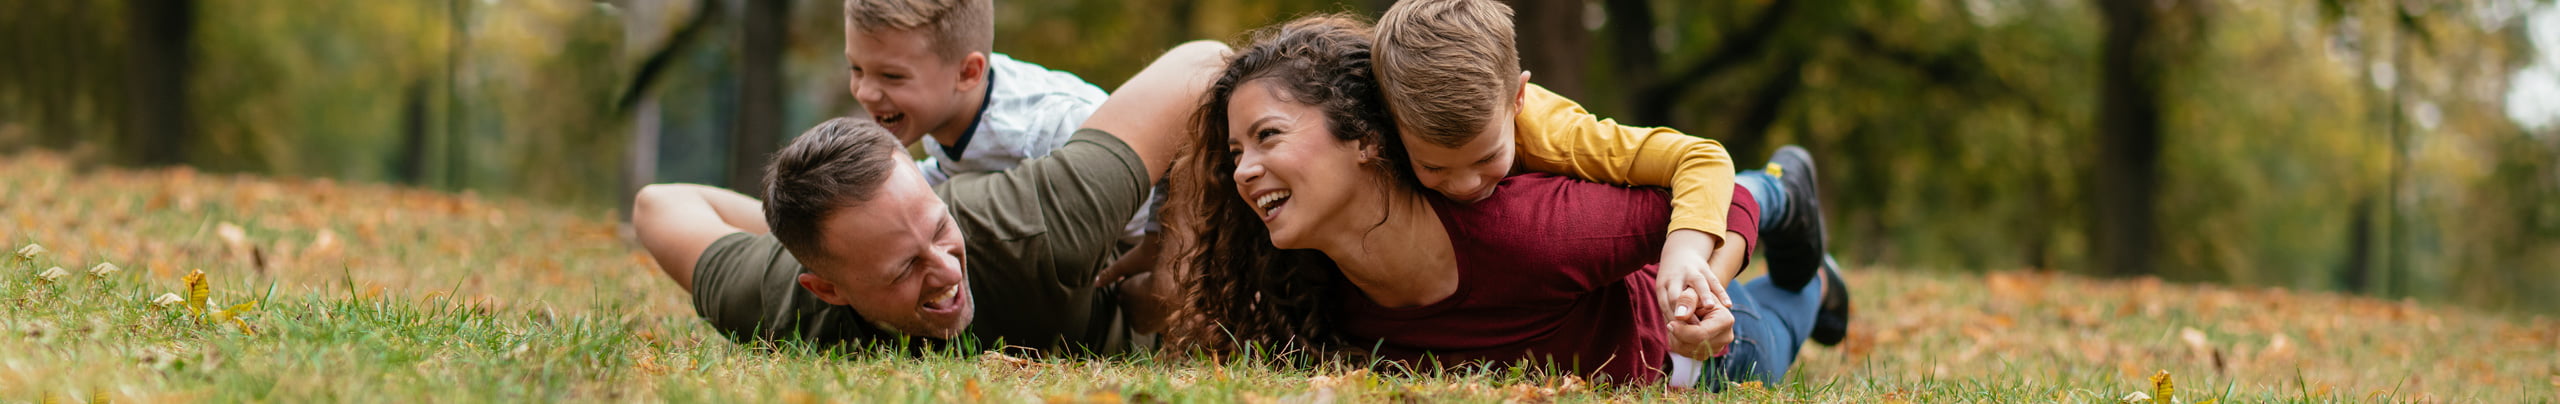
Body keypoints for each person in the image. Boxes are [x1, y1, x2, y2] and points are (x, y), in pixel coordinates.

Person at [1159, 15, 1842, 388]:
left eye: (1267, 137)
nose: (1244, 171)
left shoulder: (1533, 230)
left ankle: (1789, 209)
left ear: (1365, 137)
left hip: (1683, 353)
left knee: (1772, 313)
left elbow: (1707, 193)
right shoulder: (1307, 285)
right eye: (1235, 152)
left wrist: (1694, 283)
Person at [630, 40, 1228, 355]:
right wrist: (802, 239)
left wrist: (1171, 258)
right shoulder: (787, 302)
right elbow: (657, 203)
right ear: (828, 288)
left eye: (938, 230)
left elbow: (1202, 62)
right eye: (904, 267)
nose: (946, 268)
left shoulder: (1030, 228)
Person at [1367, 0, 1859, 350]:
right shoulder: (1381, 138)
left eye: (1484, 158)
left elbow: (1700, 160)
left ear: (1517, 98)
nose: (1465, 185)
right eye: (1433, 166)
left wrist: (1684, 252)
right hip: (1616, 283)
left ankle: (1781, 188)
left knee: (1759, 345)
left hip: (1655, 253)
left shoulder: (1556, 132)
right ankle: (1819, 278)